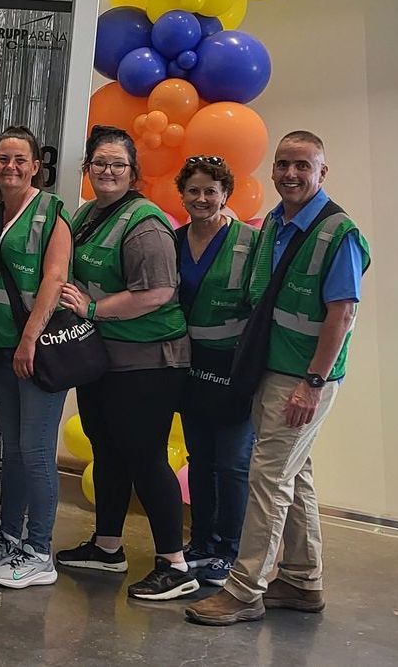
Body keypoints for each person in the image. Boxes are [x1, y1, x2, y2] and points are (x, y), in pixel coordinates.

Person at [186, 131, 370, 625]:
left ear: (322, 173)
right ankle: (302, 580)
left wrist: (312, 383)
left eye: (303, 166)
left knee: (267, 478)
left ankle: (245, 589)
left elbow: (342, 314)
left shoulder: (339, 233)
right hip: (270, 369)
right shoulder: (273, 222)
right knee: (296, 474)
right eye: (283, 164)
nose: (291, 174)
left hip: (302, 378)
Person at [54, 125, 196, 601]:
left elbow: (156, 293)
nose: (108, 171)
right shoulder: (88, 214)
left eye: (118, 164)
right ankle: (107, 546)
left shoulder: (146, 223)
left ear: (133, 172)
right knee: (107, 449)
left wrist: (92, 309)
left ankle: (174, 564)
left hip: (149, 362)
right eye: (100, 163)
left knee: (144, 456)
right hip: (104, 359)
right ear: (88, 169)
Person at [0, 127, 72, 588]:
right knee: (12, 450)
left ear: (35, 167)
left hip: (36, 350)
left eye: (20, 160)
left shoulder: (52, 214)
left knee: (35, 452)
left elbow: (53, 278)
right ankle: (9, 538)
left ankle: (40, 551)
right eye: (3, 158)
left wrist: (29, 338)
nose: (11, 166)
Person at [169, 156, 258, 587]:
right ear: (181, 194)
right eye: (194, 191)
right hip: (190, 364)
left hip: (235, 366)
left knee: (233, 463)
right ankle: (201, 542)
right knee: (200, 459)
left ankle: (229, 550)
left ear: (226, 195)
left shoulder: (250, 241)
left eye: (211, 191)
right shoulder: (174, 239)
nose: (202, 199)